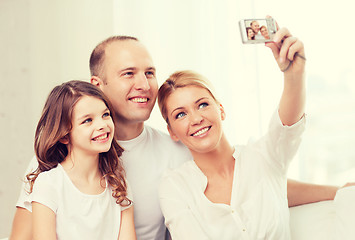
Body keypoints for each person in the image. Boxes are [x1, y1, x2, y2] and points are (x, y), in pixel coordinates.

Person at [10, 35, 341, 240]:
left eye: (149, 72)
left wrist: (338, 192)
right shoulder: (57, 162)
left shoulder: (177, 148)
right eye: (128, 74)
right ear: (98, 85)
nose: (144, 84)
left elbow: (253, 182)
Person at [157, 27, 305, 239]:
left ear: (221, 110)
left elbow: (287, 127)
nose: (196, 119)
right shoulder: (175, 187)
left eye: (202, 105)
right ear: (172, 132)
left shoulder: (264, 157)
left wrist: (294, 74)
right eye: (180, 115)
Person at [24, 80, 135, 239]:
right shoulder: (49, 184)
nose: (102, 125)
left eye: (105, 115)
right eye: (87, 120)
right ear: (64, 136)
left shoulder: (118, 185)